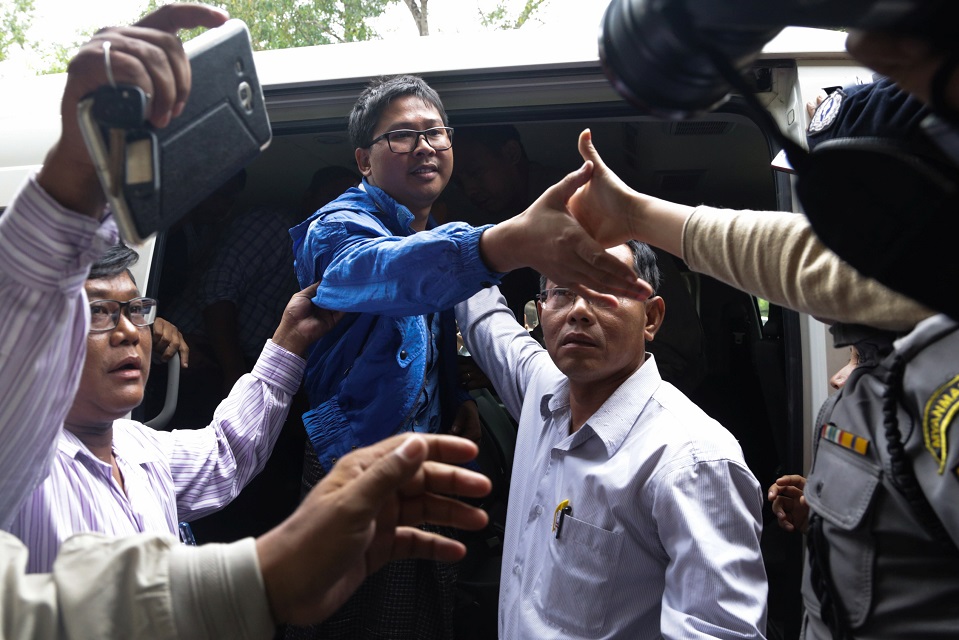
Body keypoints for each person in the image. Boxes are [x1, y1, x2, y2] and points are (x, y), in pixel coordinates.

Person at [0, 4, 492, 637]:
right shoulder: (27, 461)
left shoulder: (139, 450)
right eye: (97, 314)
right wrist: (74, 171)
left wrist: (286, 344)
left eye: (135, 310)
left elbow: (225, 453)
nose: (129, 331)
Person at [565, 57, 958, 635]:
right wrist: (821, 509)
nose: (815, 230)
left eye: (836, 210)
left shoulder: (937, 386)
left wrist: (635, 215)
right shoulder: (872, 381)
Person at [287, 74, 650, 639]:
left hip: (423, 461)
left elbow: (430, 334)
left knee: (421, 615)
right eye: (402, 137)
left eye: (435, 132)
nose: (425, 146)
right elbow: (380, 272)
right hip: (354, 462)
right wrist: (499, 244)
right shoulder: (339, 227)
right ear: (364, 159)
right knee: (346, 622)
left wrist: (455, 402)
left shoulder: (424, 230)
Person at [455, 240, 768, 638]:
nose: (579, 311)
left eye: (605, 291)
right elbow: (488, 322)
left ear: (651, 317)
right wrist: (439, 230)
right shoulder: (543, 393)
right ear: (542, 307)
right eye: (563, 292)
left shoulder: (691, 460)